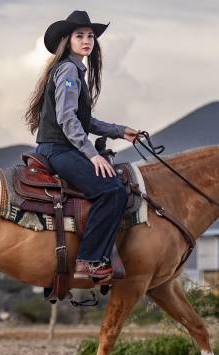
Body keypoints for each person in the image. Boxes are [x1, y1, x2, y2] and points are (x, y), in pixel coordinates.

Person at [24, 10, 140, 281]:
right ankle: (89, 261)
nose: (87, 40)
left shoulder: (73, 69)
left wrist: (120, 131)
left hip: (59, 147)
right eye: (80, 35)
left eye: (90, 36)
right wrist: (91, 155)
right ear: (68, 40)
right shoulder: (68, 70)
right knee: (113, 192)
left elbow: (83, 119)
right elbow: (67, 119)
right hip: (58, 149)